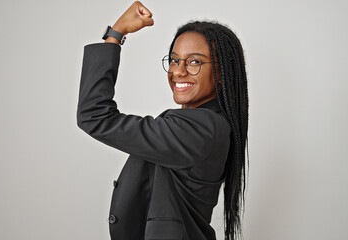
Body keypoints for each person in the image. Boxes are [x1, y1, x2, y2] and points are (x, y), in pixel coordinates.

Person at [76, 1, 249, 240]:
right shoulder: (204, 124)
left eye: (194, 62)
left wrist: (116, 33)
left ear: (222, 73)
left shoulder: (200, 130)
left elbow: (94, 115)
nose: (178, 71)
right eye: (175, 60)